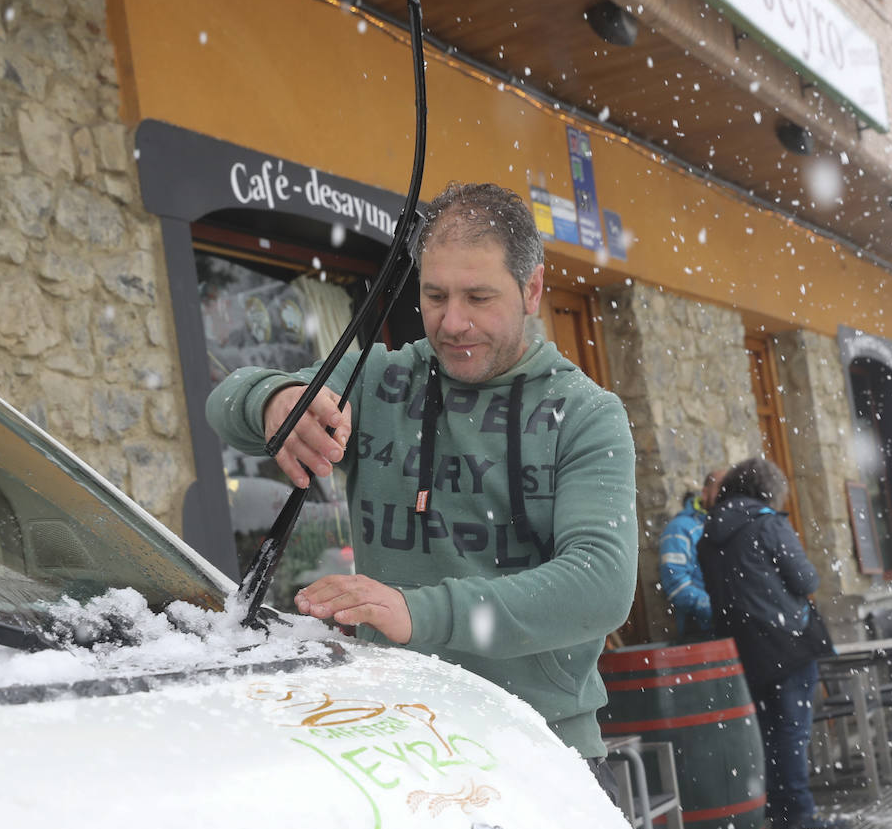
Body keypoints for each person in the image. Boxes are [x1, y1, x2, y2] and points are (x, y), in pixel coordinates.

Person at [205, 182, 638, 771]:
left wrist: (419, 612)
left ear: (532, 289)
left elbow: (601, 584)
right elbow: (227, 401)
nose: (452, 322)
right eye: (434, 295)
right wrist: (274, 399)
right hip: (396, 735)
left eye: (478, 297)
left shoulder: (586, 414)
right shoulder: (381, 380)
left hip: (541, 746)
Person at [698, 457, 851, 829]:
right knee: (793, 732)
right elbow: (805, 579)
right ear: (766, 490)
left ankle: (778, 811)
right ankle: (797, 814)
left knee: (767, 731)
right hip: (787, 642)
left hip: (742, 648)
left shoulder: (709, 534)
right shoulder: (766, 524)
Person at [658, 466, 726, 641]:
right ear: (704, 493)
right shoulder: (680, 528)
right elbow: (676, 586)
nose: (726, 493)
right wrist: (721, 610)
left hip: (736, 629)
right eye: (720, 487)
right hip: (702, 633)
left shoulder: (732, 526)